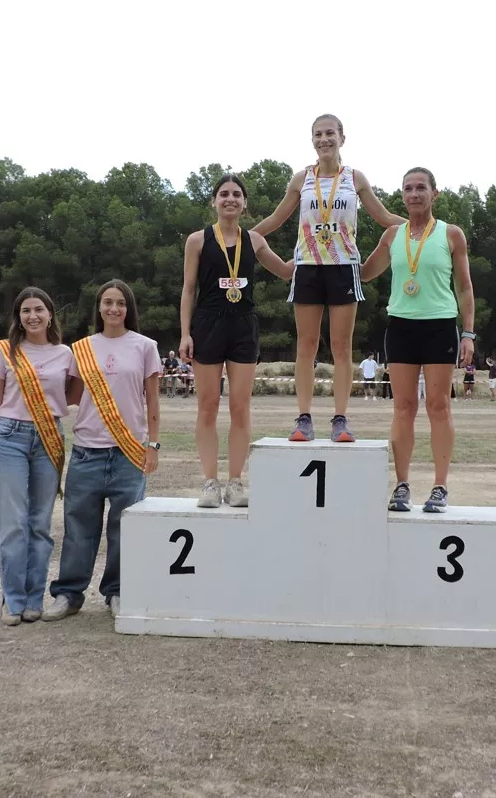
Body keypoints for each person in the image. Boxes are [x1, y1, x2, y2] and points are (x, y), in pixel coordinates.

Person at [251, 114, 406, 443]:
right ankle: (303, 417)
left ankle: (340, 419)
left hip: (344, 265)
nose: (324, 139)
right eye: (318, 134)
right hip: (307, 264)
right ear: (312, 141)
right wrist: (244, 235)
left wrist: (422, 228)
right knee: (306, 346)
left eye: (330, 133)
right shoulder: (301, 179)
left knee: (341, 347)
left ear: (342, 138)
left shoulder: (355, 178)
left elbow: (383, 217)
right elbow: (278, 218)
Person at [45, 280, 162, 620]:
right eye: (108, 302)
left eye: (120, 303)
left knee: (125, 529)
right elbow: (71, 396)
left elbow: (153, 400)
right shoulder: (80, 348)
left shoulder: (145, 347)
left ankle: (118, 592)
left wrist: (152, 444)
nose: (114, 309)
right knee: (79, 528)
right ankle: (68, 594)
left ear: (129, 309)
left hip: (128, 452)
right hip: (87, 452)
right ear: (98, 307)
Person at [360, 167, 475, 513]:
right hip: (401, 326)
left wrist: (468, 333)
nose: (414, 194)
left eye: (421, 188)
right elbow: (365, 272)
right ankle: (402, 484)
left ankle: (440, 486)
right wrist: (333, 252)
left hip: (440, 325)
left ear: (434, 193)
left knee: (438, 406)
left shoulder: (451, 234)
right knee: (403, 407)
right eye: (408, 188)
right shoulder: (392, 235)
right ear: (402, 195)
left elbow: (465, 287)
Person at [178, 173, 293, 509]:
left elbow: (285, 271)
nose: (230, 199)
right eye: (224, 194)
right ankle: (210, 483)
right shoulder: (197, 240)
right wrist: (185, 333)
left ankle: (236, 482)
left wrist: (315, 250)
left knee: (240, 407)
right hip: (208, 324)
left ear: (245, 204)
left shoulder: (254, 240)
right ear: (214, 201)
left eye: (237, 195)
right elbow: (188, 290)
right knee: (208, 405)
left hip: (243, 326)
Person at [0, 286, 75, 626]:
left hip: (48, 438)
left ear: (50, 314)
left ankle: (34, 597)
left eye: (39, 309)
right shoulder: (4, 351)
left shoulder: (66, 354)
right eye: (26, 310)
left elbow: (72, 395)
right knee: (13, 522)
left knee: (40, 523)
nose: (33, 316)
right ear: (18, 316)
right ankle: (12, 599)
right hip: (9, 437)